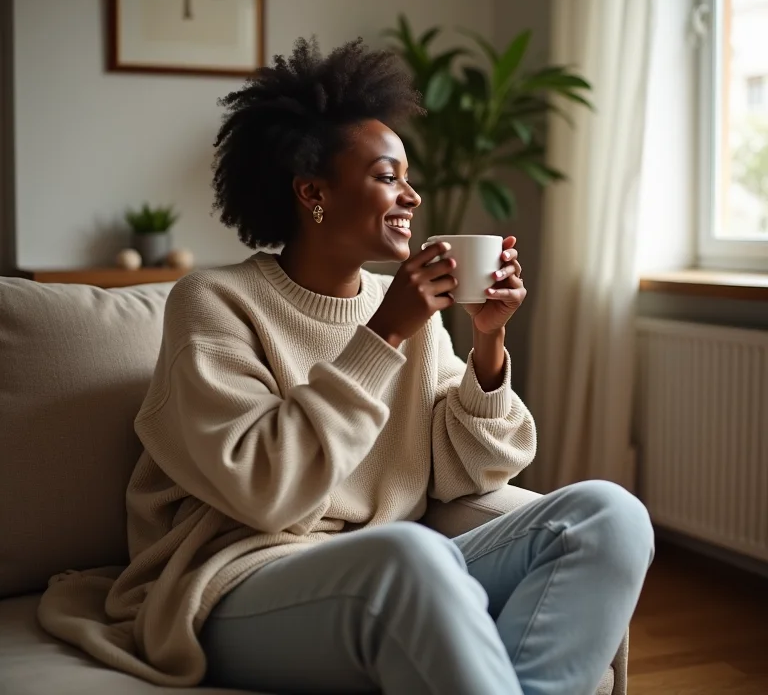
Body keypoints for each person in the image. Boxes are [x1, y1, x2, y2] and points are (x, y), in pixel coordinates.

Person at [38, 38, 653, 695]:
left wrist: (488, 341)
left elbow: (470, 471)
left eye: (408, 178)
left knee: (609, 515)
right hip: (236, 580)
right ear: (313, 192)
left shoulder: (407, 310)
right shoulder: (215, 303)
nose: (412, 196)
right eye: (388, 177)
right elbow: (265, 491)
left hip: (396, 570)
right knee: (410, 554)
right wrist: (384, 334)